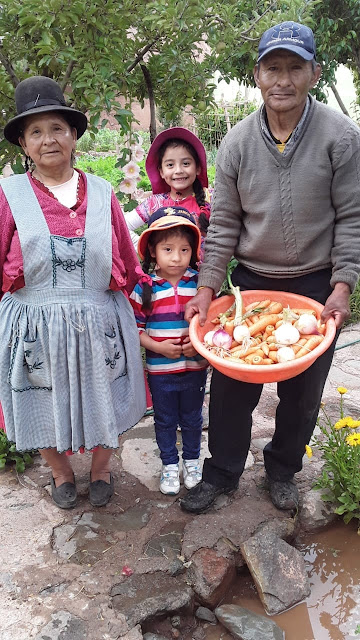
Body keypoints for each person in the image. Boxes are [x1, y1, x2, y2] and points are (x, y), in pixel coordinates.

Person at [180, 21, 360, 514]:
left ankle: (283, 470)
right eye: (273, 68)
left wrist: (342, 286)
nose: (283, 80)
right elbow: (224, 225)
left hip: (315, 283)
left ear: (314, 73)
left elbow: (351, 217)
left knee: (303, 395)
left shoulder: (341, 137)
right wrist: (206, 286)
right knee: (234, 388)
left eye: (295, 68)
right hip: (252, 286)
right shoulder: (236, 143)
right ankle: (222, 474)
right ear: (257, 75)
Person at [0, 76, 147, 509]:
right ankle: (61, 473)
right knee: (41, 397)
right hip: (34, 322)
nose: (49, 140)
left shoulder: (103, 194)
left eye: (58, 128)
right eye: (36, 132)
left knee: (111, 394)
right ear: (24, 144)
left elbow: (125, 257)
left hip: (99, 318)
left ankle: (101, 469)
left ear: (74, 135)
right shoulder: (8, 196)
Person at [130, 206, 208, 495]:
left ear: (193, 251)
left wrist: (198, 342)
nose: (176, 257)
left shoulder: (199, 285)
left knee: (192, 418)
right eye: (168, 249)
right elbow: (135, 328)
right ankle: (169, 465)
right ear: (152, 251)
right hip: (161, 372)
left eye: (185, 250)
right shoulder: (145, 288)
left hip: (195, 368)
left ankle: (192, 461)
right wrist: (156, 345)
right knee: (164, 419)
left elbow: (212, 324)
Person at [125, 127, 211, 256]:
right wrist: (146, 249)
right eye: (170, 165)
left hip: (204, 275)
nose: (178, 170)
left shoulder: (211, 199)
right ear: (161, 172)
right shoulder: (154, 203)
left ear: (198, 168)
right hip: (163, 276)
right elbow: (122, 225)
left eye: (186, 163)